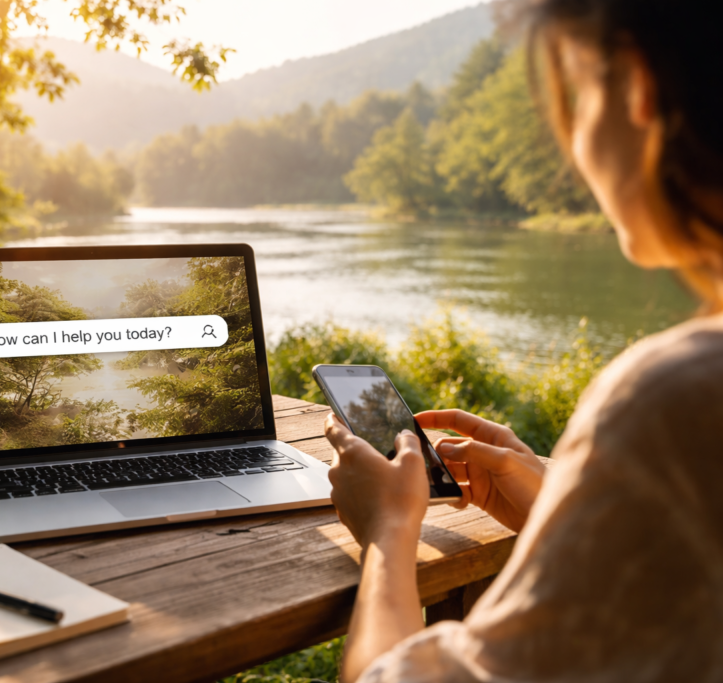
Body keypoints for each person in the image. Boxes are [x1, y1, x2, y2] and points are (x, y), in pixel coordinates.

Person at [323, 1, 723, 681]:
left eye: (574, 89)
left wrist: (389, 533)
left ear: (636, 84)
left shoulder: (676, 395)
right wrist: (572, 501)